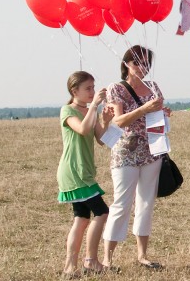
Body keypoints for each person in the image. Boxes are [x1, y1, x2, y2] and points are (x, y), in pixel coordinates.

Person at [102, 45, 167, 270]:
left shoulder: (153, 86)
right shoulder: (116, 89)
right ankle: (107, 259)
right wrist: (145, 109)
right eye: (138, 62)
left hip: (152, 151)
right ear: (126, 64)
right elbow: (118, 122)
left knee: (146, 203)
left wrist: (162, 113)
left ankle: (142, 255)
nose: (143, 67)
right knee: (121, 203)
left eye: (147, 63)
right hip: (126, 152)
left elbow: (157, 112)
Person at [57, 71, 114, 277]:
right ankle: (91, 261)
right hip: (74, 171)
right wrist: (94, 107)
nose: (92, 91)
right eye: (87, 88)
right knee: (102, 212)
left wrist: (105, 120)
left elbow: (100, 138)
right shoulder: (68, 111)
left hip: (84, 170)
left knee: (81, 218)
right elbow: (81, 129)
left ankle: (70, 267)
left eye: (93, 87)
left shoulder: (87, 110)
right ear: (75, 91)